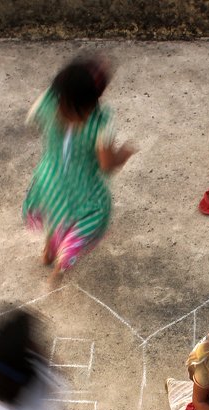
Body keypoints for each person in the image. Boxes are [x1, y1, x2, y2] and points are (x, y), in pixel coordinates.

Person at [22, 55, 135, 281]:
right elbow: (106, 164)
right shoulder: (100, 124)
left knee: (56, 213)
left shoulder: (47, 104)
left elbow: (32, 119)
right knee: (87, 221)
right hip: (83, 188)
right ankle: (61, 265)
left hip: (49, 180)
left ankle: (48, 252)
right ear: (92, 102)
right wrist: (123, 154)